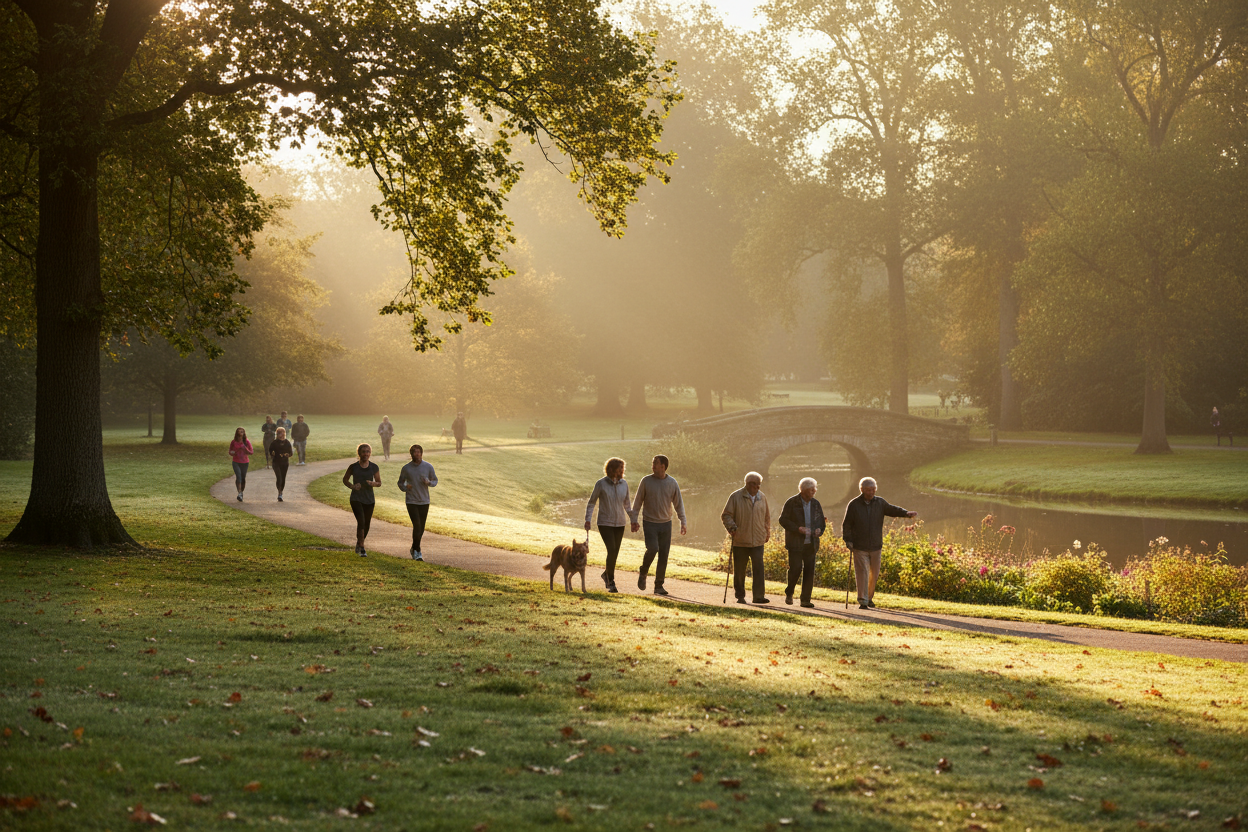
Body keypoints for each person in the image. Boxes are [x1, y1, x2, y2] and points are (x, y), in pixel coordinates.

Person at [841, 477, 916, 610]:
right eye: (869, 490)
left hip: (876, 545)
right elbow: (847, 524)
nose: (871, 492)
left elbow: (892, 510)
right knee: (862, 572)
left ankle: (869, 598)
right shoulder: (854, 504)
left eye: (873, 489)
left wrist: (906, 513)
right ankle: (863, 600)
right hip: (859, 545)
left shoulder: (880, 502)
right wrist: (848, 540)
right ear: (862, 490)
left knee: (874, 574)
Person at [630, 454, 686, 597]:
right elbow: (637, 503)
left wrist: (683, 522)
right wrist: (634, 520)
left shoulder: (672, 483)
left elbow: (678, 504)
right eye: (652, 463)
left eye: (656, 463)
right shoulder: (646, 481)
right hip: (650, 523)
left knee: (664, 555)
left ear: (663, 466)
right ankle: (643, 571)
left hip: (666, 524)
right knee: (653, 548)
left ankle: (659, 585)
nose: (653, 466)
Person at [720, 472, 771, 604]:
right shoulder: (736, 497)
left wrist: (767, 532)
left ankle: (758, 596)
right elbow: (726, 515)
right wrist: (732, 527)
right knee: (739, 570)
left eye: (759, 484)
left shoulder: (762, 497)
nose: (757, 487)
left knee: (759, 569)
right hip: (741, 539)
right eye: (755, 484)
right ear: (748, 484)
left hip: (758, 540)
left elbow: (767, 517)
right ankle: (740, 596)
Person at [778, 477, 826, 608]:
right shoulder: (792, 502)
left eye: (814, 489)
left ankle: (805, 600)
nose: (814, 491)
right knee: (796, 569)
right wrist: (798, 529)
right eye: (811, 489)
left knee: (809, 571)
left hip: (811, 544)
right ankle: (789, 592)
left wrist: (819, 530)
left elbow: (822, 523)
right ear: (803, 490)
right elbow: (783, 520)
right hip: (795, 544)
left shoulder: (816, 504)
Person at [585, 457, 630, 593]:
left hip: (620, 523)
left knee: (615, 552)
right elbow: (592, 502)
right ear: (611, 469)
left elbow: (627, 504)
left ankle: (606, 575)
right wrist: (588, 519)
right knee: (611, 550)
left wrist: (633, 520)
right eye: (619, 468)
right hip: (605, 522)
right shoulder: (601, 484)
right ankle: (611, 581)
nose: (622, 470)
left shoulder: (624, 484)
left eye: (623, 468)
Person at [397, 444, 438, 560]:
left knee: (422, 528)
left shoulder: (428, 466)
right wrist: (405, 487)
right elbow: (400, 482)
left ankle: (413, 547)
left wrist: (429, 482)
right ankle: (417, 552)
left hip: (424, 501)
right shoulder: (406, 468)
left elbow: (435, 480)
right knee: (417, 525)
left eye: (419, 452)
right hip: (411, 501)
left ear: (422, 453)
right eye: (415, 452)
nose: (417, 454)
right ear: (411, 454)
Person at [342, 443, 382, 556]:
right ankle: (362, 548)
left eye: (368, 452)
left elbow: (379, 482)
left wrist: (373, 483)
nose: (366, 454)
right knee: (361, 521)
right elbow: (345, 480)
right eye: (364, 451)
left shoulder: (374, 467)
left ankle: (359, 542)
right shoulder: (353, 466)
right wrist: (353, 486)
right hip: (356, 498)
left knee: (367, 524)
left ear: (370, 453)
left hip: (369, 499)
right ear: (359, 453)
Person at [228, 427, 254, 502]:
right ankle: (239, 492)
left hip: (245, 462)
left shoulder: (246, 442)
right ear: (237, 433)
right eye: (240, 431)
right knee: (238, 476)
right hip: (236, 462)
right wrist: (233, 452)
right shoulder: (233, 442)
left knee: (243, 478)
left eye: (242, 431)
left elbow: (251, 452)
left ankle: (241, 492)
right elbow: (230, 451)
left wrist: (245, 448)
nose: (241, 432)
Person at [270, 426, 293, 502]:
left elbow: (291, 453)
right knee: (279, 477)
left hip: (284, 463)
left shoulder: (287, 442)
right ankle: (279, 491)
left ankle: (280, 492)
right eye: (280, 433)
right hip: (276, 462)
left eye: (283, 432)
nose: (282, 434)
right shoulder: (274, 443)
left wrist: (287, 455)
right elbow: (270, 451)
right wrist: (273, 454)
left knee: (283, 478)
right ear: (277, 434)